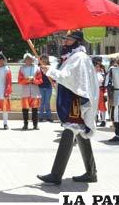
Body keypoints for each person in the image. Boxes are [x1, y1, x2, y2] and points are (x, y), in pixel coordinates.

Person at [37, 30, 99, 185]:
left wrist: (50, 71)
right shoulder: (72, 57)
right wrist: (53, 77)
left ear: (76, 41)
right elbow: (67, 79)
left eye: (68, 39)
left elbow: (69, 78)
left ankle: (56, 175)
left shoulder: (78, 57)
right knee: (81, 135)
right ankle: (91, 173)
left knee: (69, 132)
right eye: (64, 39)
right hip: (73, 100)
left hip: (75, 102)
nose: (64, 42)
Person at [18, 53, 43, 130]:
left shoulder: (37, 68)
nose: (28, 60)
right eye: (27, 59)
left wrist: (34, 80)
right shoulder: (22, 68)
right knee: (25, 109)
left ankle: (35, 124)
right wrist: (27, 80)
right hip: (25, 91)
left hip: (35, 91)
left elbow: (40, 80)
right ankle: (25, 124)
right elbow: (20, 80)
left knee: (35, 109)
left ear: (32, 60)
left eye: (30, 59)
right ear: (25, 60)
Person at [38, 54, 53, 123]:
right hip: (40, 87)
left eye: (45, 59)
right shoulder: (38, 68)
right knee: (41, 102)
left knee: (47, 102)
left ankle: (49, 116)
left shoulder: (50, 67)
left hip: (48, 87)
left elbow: (52, 76)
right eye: (42, 59)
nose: (44, 60)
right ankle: (40, 117)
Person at [93, 57, 107, 127]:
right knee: (94, 106)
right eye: (96, 66)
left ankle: (103, 120)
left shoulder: (102, 72)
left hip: (101, 90)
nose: (98, 67)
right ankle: (95, 120)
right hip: (93, 90)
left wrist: (105, 92)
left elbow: (105, 83)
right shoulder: (91, 73)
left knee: (102, 106)